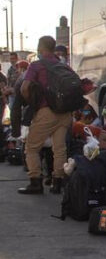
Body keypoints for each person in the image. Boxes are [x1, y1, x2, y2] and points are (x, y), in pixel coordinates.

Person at [18, 36, 73, 195]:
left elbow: (24, 88)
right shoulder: (64, 66)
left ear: (40, 48)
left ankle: (35, 182)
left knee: (32, 147)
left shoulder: (36, 65)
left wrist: (33, 103)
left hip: (45, 111)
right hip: (64, 113)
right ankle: (57, 183)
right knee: (59, 148)